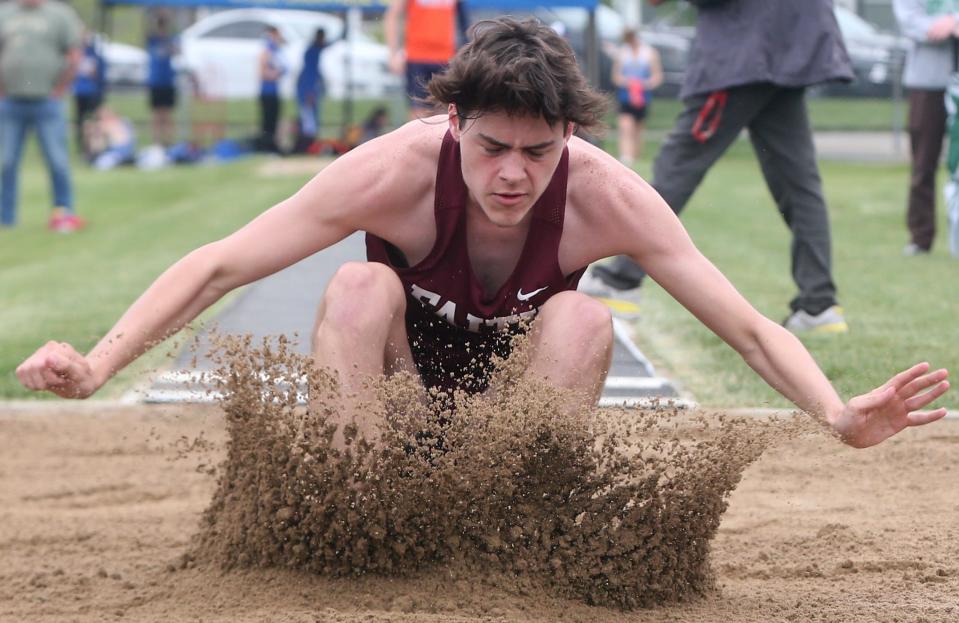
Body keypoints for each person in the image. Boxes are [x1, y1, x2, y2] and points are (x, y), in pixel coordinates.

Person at [15, 18, 950, 453]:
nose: (511, 174)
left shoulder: (604, 196)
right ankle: (351, 503)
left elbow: (743, 324)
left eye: (535, 154)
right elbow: (219, 262)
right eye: (492, 147)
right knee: (357, 287)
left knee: (588, 322)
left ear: (570, 139)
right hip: (392, 388)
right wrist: (98, 364)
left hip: (517, 413)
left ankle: (512, 524)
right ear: (454, 125)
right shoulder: (392, 170)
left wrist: (833, 413)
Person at [582, 0, 853, 334]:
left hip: (746, 48)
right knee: (798, 183)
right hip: (789, 44)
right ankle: (819, 304)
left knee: (677, 166)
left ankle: (621, 281)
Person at [0, 0, 83, 232]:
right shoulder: (4, 13)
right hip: (11, 102)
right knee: (6, 162)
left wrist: (60, 90)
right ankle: (5, 219)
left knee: (57, 160)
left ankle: (63, 215)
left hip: (48, 101)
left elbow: (74, 55)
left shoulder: (60, 14)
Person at [893, 0, 959, 255]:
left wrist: (954, 21)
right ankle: (920, 237)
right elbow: (908, 19)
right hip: (927, 80)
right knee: (923, 162)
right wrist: (938, 26)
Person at [384, 0, 460, 119]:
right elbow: (393, 15)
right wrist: (393, 54)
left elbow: (462, 21)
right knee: (419, 112)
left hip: (446, 57)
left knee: (445, 112)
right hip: (417, 57)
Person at [612, 29, 663, 168]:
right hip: (625, 96)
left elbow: (657, 76)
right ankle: (626, 158)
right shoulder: (622, 53)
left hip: (642, 97)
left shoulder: (649, 53)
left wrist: (645, 84)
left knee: (638, 130)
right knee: (625, 126)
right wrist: (628, 82)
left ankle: (635, 158)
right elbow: (616, 76)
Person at [145, 12, 178, 147]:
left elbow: (177, 50)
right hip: (156, 82)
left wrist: (170, 21)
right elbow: (147, 29)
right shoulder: (152, 40)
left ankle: (168, 141)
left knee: (167, 114)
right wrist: (155, 16)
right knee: (156, 114)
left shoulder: (171, 40)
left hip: (167, 82)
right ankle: (157, 142)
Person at [72, 29, 106, 158]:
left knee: (94, 121)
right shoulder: (78, 53)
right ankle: (83, 148)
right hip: (81, 92)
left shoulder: (94, 54)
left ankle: (95, 148)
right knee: (81, 121)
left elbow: (100, 74)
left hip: (93, 93)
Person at [294, 28, 328, 154]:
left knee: (311, 118)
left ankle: (310, 145)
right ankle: (306, 146)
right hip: (306, 89)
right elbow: (309, 74)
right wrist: (308, 92)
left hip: (310, 88)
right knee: (308, 119)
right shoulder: (312, 51)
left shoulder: (315, 49)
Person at [257, 25, 286, 153]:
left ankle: (272, 145)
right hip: (267, 92)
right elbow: (263, 72)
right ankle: (266, 146)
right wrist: (277, 73)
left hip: (274, 92)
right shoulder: (267, 51)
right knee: (267, 122)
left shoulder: (276, 51)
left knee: (274, 120)